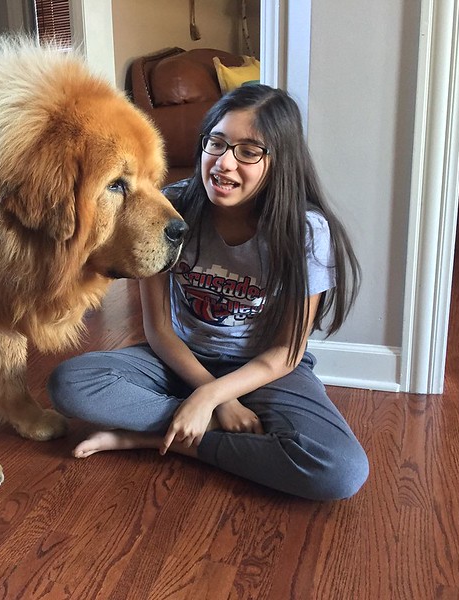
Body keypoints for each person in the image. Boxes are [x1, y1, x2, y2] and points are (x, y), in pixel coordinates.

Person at [47, 84, 369, 501]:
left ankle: (168, 439)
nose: (224, 163)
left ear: (279, 161)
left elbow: (286, 352)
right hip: (179, 359)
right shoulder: (170, 209)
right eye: (216, 143)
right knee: (69, 384)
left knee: (340, 471)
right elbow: (159, 330)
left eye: (249, 151)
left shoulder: (306, 233)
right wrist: (212, 400)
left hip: (262, 369)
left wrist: (216, 395)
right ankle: (202, 427)